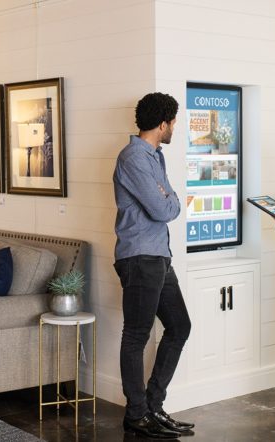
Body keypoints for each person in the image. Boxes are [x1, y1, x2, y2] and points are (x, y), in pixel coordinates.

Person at [113, 92, 194, 439]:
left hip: (159, 255)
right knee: (136, 335)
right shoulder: (133, 157)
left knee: (179, 326)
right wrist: (172, 201)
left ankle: (152, 405)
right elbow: (165, 209)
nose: (175, 127)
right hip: (140, 257)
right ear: (162, 124)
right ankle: (136, 414)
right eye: (173, 122)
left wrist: (169, 199)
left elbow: (167, 201)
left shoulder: (154, 156)